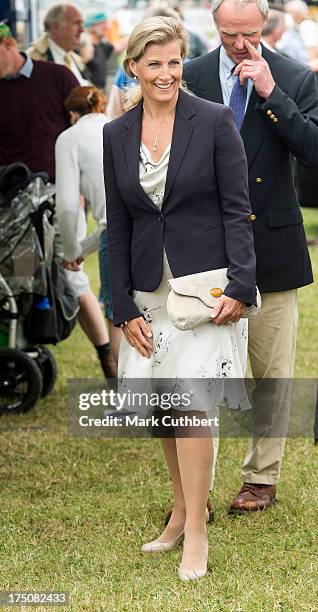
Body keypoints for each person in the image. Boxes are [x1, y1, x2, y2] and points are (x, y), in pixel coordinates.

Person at [103, 16, 257, 581]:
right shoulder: (114, 133)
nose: (165, 74)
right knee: (167, 410)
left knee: (193, 407)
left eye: (174, 62)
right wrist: (120, 306)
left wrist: (241, 285)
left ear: (181, 64)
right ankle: (180, 513)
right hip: (148, 290)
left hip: (206, 287)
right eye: (154, 63)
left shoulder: (214, 121)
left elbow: (237, 209)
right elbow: (117, 223)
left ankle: (196, 532)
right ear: (134, 67)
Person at [183, 0, 318, 513]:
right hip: (206, 248)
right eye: (229, 34)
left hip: (273, 248)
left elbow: (313, 152)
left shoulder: (295, 77)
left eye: (250, 34)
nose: (240, 44)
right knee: (203, 374)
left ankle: (261, 477)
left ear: (266, 26)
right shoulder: (190, 73)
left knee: (270, 373)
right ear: (215, 28)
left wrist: (271, 95)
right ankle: (198, 488)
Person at [55, 86, 119, 379]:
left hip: (116, 235)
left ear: (72, 114)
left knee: (117, 313)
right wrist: (80, 252)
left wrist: (69, 252)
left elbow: (68, 207)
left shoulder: (69, 138)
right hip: (147, 225)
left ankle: (127, 400)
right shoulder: (116, 127)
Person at [0, 22, 78, 181]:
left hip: (58, 188)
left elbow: (86, 129)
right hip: (8, 192)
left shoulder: (59, 77)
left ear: (7, 44)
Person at [27, 4, 90, 84]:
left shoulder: (76, 59)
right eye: (76, 23)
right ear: (55, 27)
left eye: (82, 24)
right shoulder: (31, 60)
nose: (82, 30)